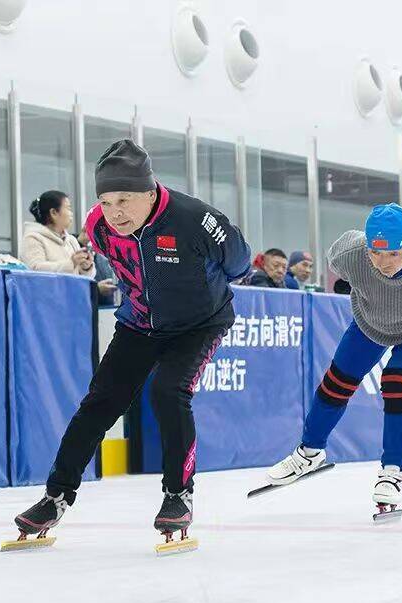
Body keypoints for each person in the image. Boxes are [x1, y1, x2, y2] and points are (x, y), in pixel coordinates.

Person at [14, 139, 251, 545]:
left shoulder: (195, 219)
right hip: (139, 323)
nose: (115, 212)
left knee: (167, 391)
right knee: (100, 401)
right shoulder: (97, 226)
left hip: (199, 324)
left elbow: (240, 264)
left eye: (124, 199)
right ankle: (56, 497)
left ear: (150, 191)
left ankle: (178, 494)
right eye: (106, 201)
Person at [266, 203, 402, 514]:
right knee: (337, 381)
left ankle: (393, 471)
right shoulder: (350, 252)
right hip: (372, 323)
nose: (383, 263)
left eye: (393, 254)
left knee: (397, 378)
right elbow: (336, 259)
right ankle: (309, 452)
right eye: (376, 253)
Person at [21, 190, 96, 278]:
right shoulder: (33, 238)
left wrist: (86, 267)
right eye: (68, 208)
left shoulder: (71, 240)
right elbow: (35, 270)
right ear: (53, 213)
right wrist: (71, 263)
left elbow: (85, 278)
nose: (71, 214)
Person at [77, 229, 117, 306]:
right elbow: (72, 291)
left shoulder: (104, 255)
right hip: (86, 311)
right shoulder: (75, 251)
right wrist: (96, 289)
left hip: (107, 311)